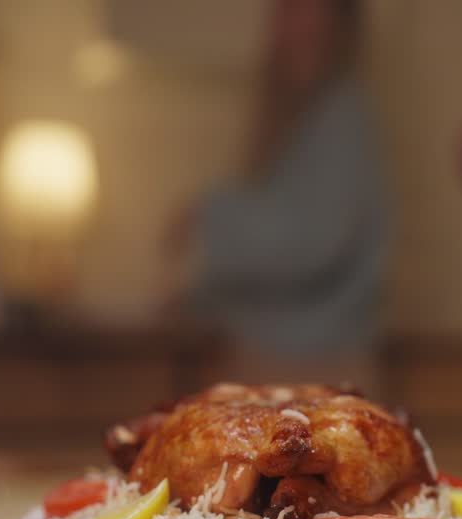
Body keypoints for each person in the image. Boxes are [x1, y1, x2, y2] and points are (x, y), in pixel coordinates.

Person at [166, 0, 389, 391]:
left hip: (315, 370)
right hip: (277, 367)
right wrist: (199, 296)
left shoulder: (342, 117)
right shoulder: (300, 121)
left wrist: (210, 214)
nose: (287, 19)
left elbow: (310, 243)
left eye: (303, 9)